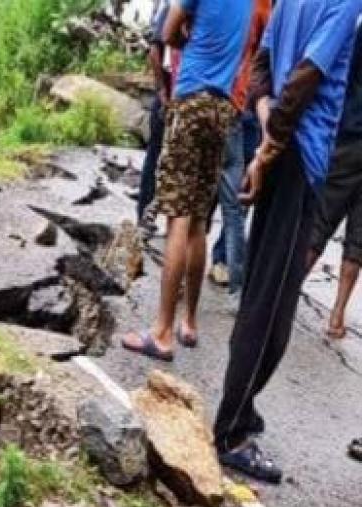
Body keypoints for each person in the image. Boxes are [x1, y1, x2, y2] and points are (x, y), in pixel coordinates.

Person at [214, 0, 362, 484]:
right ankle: (233, 430)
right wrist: (273, 145)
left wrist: (264, 141)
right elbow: (305, 77)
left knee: (262, 288)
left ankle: (242, 409)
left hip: (281, 151)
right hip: (299, 157)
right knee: (271, 308)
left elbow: (262, 71)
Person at [122, 0, 253, 362]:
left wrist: (184, 33)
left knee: (177, 217)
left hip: (192, 99)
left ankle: (162, 332)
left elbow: (166, 33)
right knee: (198, 218)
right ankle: (189, 322)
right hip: (222, 108)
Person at [209, 0, 273, 296]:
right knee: (234, 197)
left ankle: (217, 260)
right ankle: (231, 275)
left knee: (223, 192)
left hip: (236, 101)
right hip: (243, 102)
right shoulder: (262, 9)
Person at [307, 26, 362, 341]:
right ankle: (336, 315)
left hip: (351, 135)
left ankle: (287, 294)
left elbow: (345, 74)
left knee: (322, 220)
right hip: (352, 134)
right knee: (358, 239)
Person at [137, 0, 176, 231]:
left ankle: (165, 219)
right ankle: (144, 216)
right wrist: (162, 91)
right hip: (167, 97)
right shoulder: (172, 8)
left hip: (183, 97)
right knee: (156, 156)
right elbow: (154, 51)